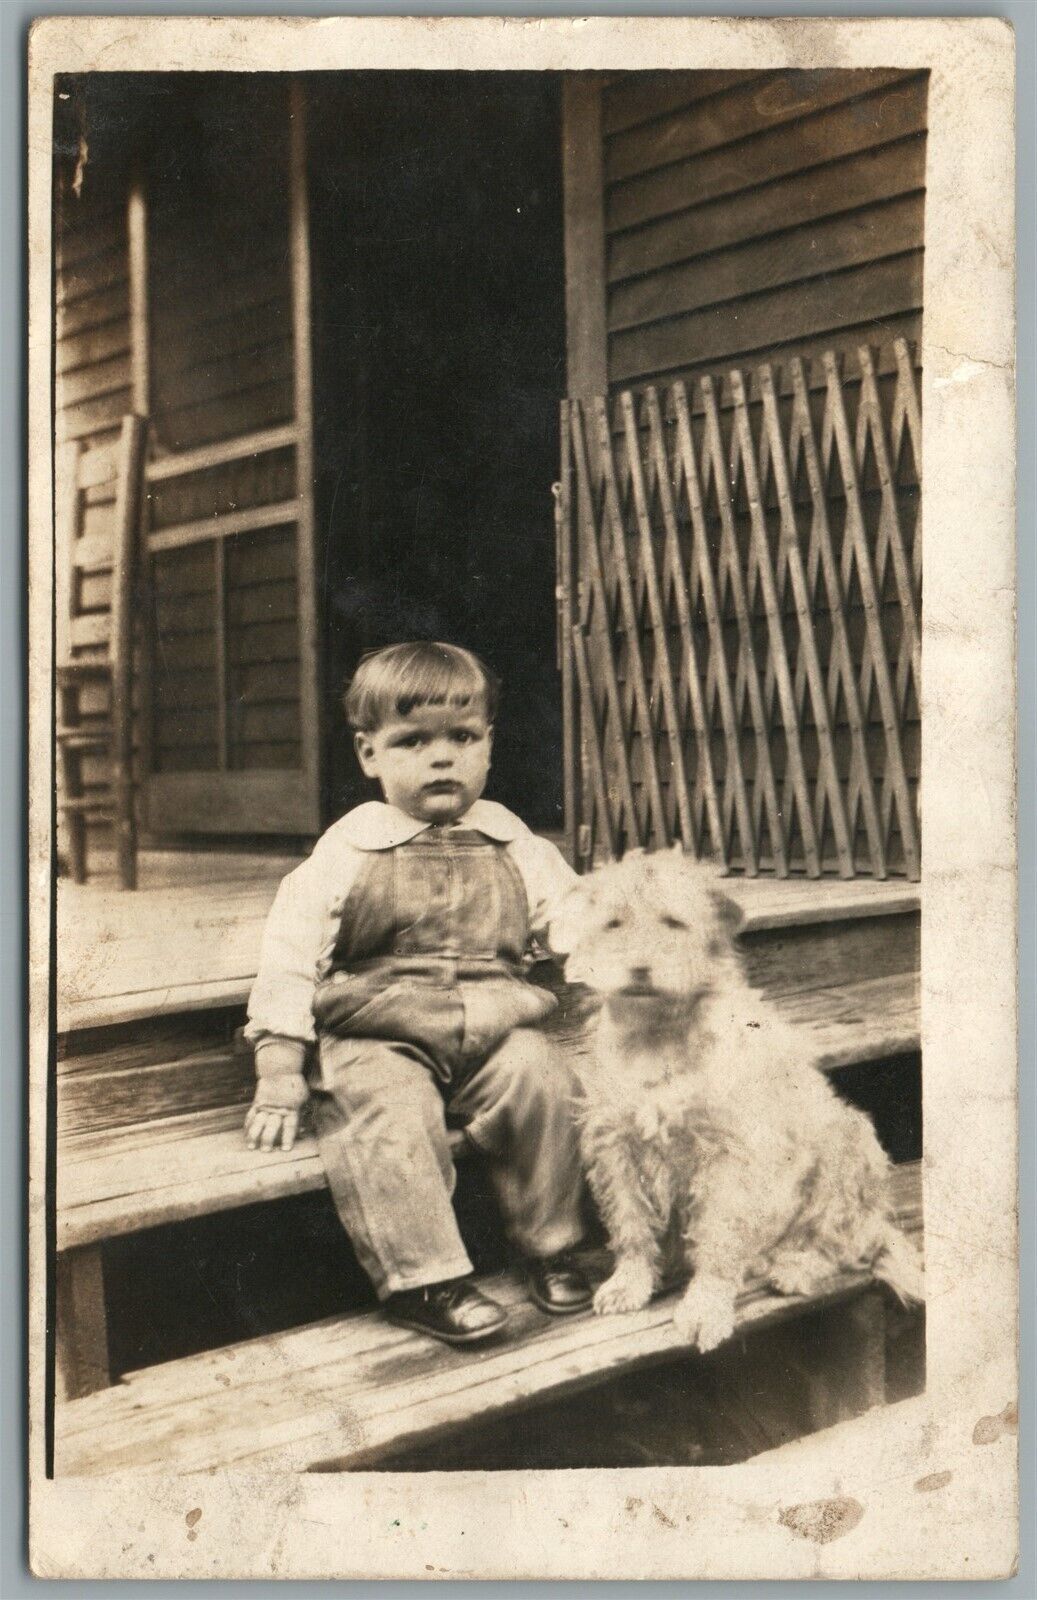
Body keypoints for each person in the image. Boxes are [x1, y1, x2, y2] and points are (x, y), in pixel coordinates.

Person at [243, 641, 591, 1345]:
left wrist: (609, 961)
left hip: (492, 1022)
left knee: (543, 1077)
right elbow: (288, 960)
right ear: (369, 754)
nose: (442, 758)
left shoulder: (515, 843)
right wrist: (279, 1068)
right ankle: (423, 1277)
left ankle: (551, 1245)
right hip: (380, 1030)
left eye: (462, 738)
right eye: (413, 741)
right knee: (389, 1111)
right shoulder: (347, 850)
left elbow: (577, 923)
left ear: (488, 745)